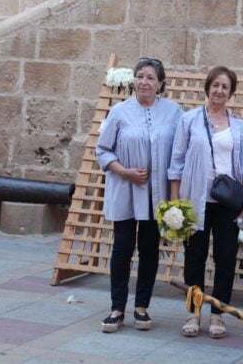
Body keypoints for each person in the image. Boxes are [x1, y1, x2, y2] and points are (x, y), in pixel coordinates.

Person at [96, 58, 183, 333]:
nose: (145, 82)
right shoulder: (119, 112)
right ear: (134, 80)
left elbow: (181, 151)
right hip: (125, 189)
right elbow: (102, 150)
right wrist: (124, 171)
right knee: (122, 248)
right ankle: (117, 308)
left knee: (149, 249)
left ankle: (142, 307)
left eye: (151, 78)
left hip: (156, 195)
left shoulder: (174, 112)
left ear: (160, 84)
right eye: (140, 77)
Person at [168, 66, 243, 339]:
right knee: (194, 256)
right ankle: (194, 312)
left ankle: (218, 313)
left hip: (228, 202)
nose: (219, 91)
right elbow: (176, 163)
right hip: (196, 199)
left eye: (225, 87)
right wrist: (175, 203)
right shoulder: (190, 120)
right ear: (207, 87)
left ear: (231, 92)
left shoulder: (238, 125)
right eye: (215, 85)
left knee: (226, 257)